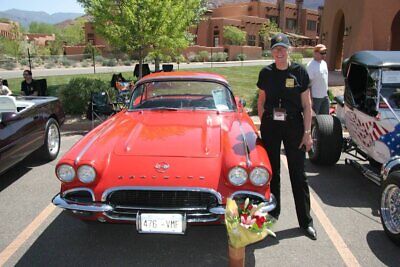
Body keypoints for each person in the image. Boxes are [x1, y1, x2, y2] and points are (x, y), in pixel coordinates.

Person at [257, 33, 317, 240]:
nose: (279, 52)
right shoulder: (266, 73)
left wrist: (308, 133)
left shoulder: (299, 72)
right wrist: (263, 121)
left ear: (289, 50)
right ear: (271, 51)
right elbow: (261, 100)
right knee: (272, 173)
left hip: (294, 126)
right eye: (275, 49)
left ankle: (305, 222)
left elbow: (308, 105)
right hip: (271, 126)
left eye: (282, 48)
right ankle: (272, 215)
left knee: (298, 175)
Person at [307, 44, 329, 115]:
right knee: (315, 119)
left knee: (325, 117)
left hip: (325, 96)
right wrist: (310, 99)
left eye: (325, 52)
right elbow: (308, 84)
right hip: (315, 97)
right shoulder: (311, 66)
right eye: (322, 53)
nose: (324, 55)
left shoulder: (324, 63)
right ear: (315, 53)